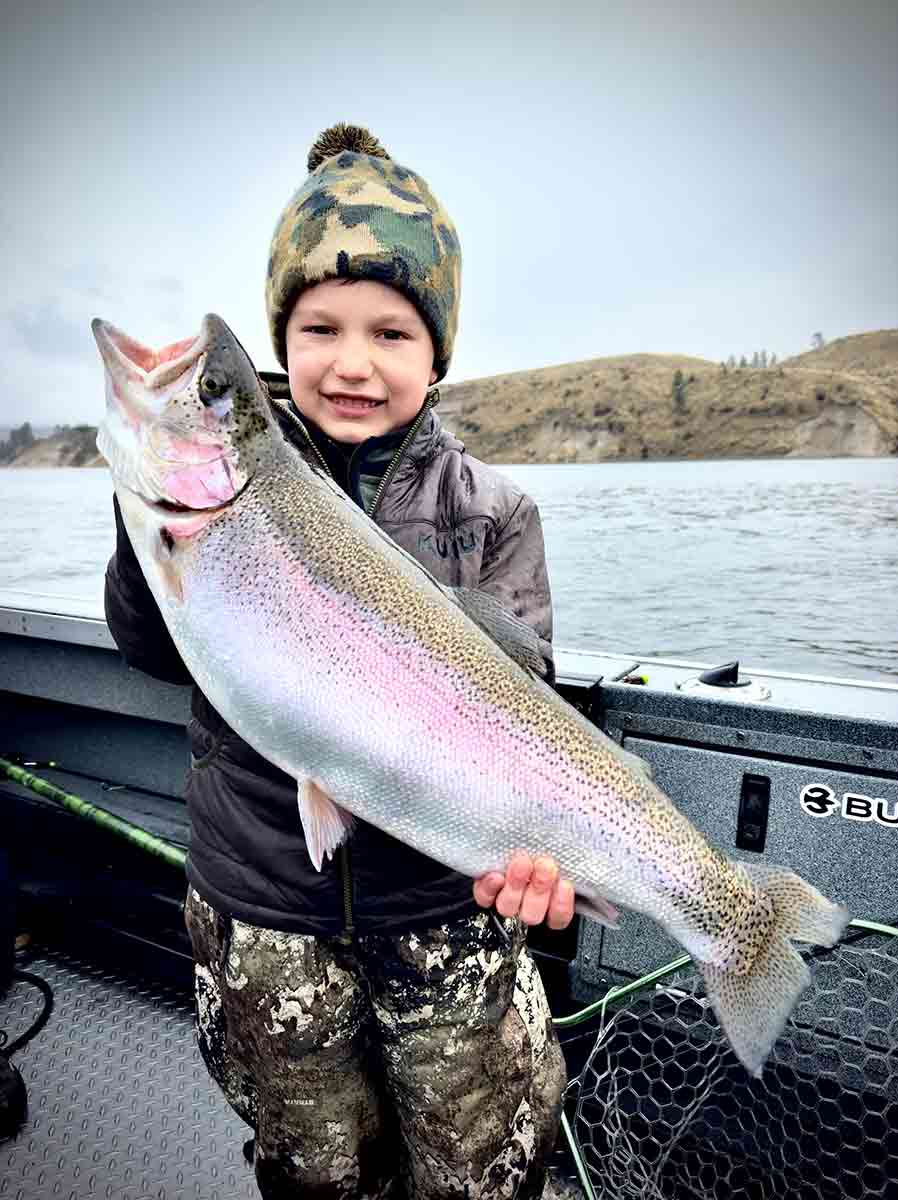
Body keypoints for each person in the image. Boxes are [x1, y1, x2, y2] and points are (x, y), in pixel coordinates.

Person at [104, 122, 574, 1199]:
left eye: (393, 334)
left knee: (483, 1166)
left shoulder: (494, 511)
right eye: (319, 327)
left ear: (438, 354)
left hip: (450, 922)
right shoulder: (225, 486)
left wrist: (539, 851)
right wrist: (147, 516)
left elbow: (526, 702)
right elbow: (146, 645)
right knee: (311, 1169)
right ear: (283, 336)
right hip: (266, 914)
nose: (353, 361)